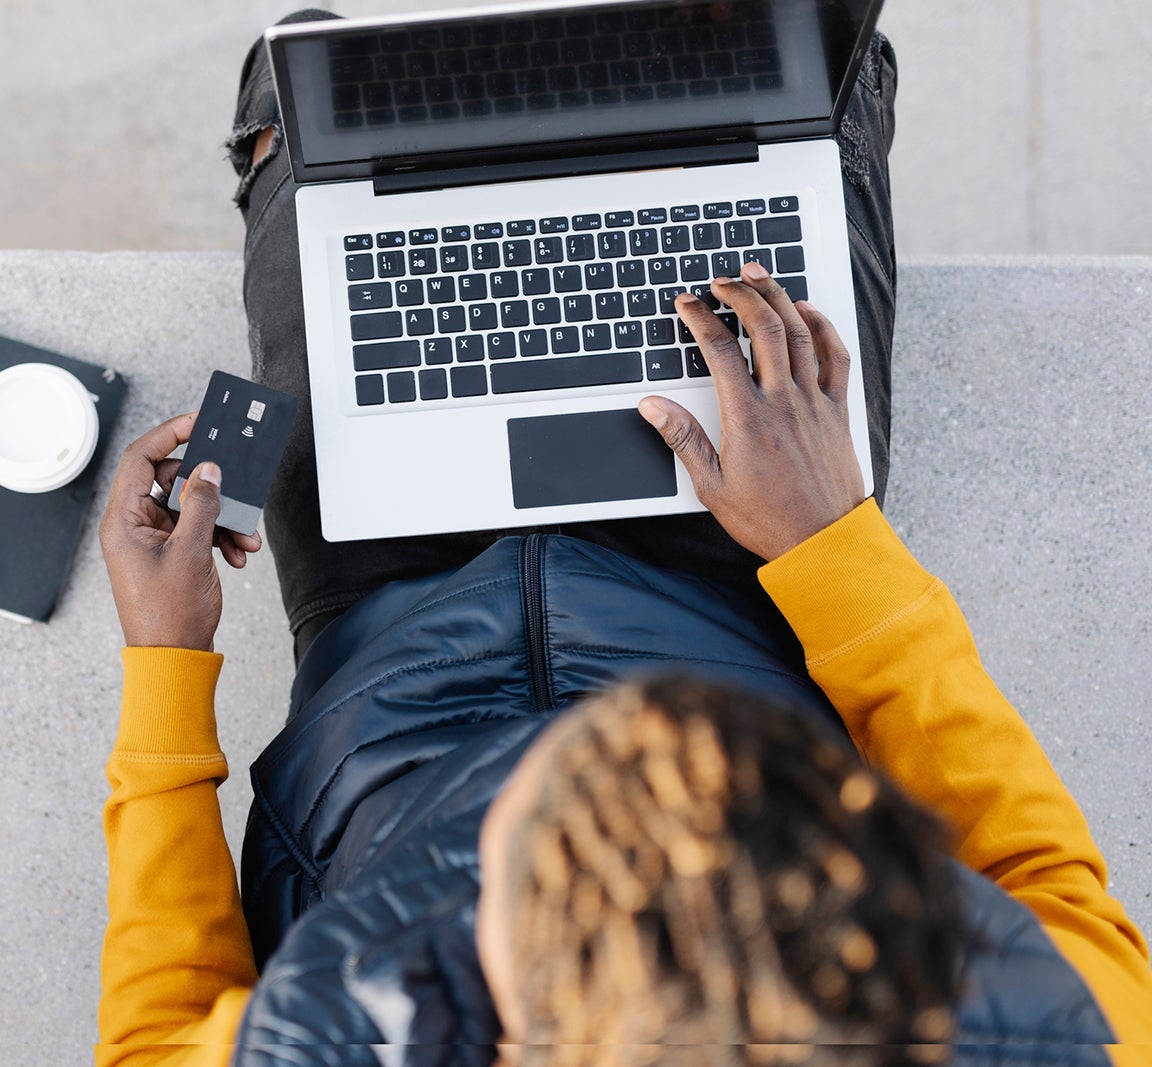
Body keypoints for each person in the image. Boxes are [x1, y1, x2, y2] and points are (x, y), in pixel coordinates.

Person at [96, 11, 1152, 1066]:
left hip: (383, 625)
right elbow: (1045, 887)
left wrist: (165, 663)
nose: (591, 735)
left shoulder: (347, 1030)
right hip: (747, 583)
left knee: (309, 98)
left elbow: (154, 1042)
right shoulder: (1020, 1029)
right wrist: (832, 543)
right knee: (803, 83)